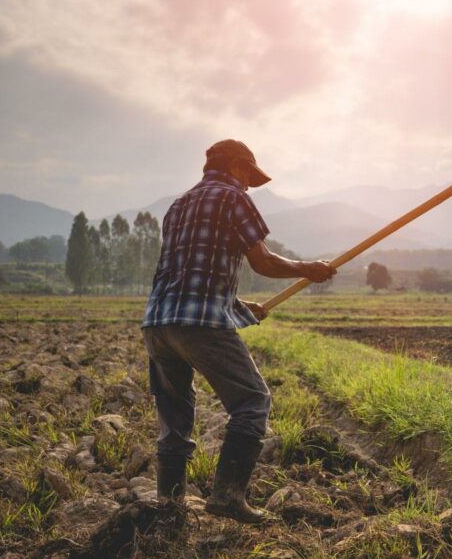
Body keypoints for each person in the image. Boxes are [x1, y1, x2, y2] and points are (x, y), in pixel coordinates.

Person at [141, 139, 335, 523]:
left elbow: (193, 273)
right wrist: (307, 269)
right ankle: (228, 497)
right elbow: (261, 261)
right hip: (199, 326)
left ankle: (170, 506)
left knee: (175, 417)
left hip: (158, 323)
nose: (249, 184)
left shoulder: (178, 205)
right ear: (236, 167)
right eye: (248, 175)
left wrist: (243, 308)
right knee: (252, 402)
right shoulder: (234, 198)